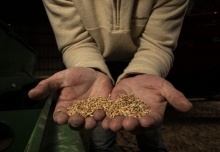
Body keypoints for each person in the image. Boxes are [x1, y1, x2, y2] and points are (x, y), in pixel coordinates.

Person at [28, 0, 193, 151]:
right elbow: (75, 40)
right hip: (93, 69)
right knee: (101, 142)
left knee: (149, 132)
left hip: (144, 68)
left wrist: (143, 71)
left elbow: (158, 43)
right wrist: (88, 67)